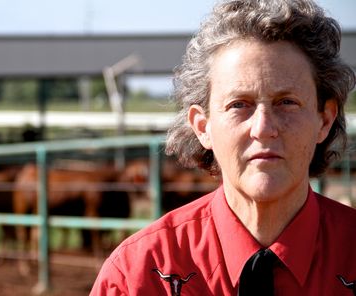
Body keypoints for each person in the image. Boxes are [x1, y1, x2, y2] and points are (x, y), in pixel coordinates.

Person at [90, 0, 356, 295]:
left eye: (287, 102)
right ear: (203, 127)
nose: (263, 128)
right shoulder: (138, 276)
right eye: (238, 104)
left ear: (324, 120)